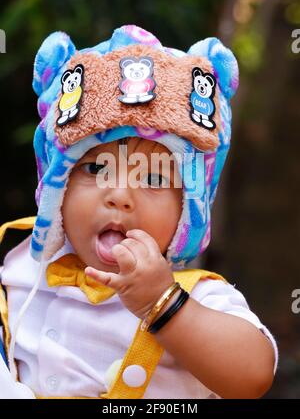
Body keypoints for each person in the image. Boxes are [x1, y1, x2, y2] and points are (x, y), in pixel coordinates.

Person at [0, 25, 278, 399]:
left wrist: (161, 303)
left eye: (151, 178)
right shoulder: (22, 269)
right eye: (95, 169)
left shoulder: (198, 298)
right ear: (57, 189)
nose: (119, 195)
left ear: (187, 210)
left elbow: (253, 376)